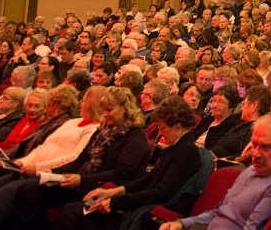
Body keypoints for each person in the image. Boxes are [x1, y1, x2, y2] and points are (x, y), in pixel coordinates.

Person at [0, 87, 151, 230]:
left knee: (28, 191)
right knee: (29, 189)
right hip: (78, 180)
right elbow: (79, 161)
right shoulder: (104, 130)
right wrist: (51, 174)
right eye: (103, 110)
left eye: (109, 110)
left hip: (99, 188)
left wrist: (80, 179)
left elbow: (122, 173)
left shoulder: (135, 137)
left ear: (125, 109)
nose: (104, 114)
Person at [57, 95, 204, 230]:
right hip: (144, 205)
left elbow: (161, 193)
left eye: (162, 127)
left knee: (74, 213)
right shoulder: (177, 147)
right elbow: (147, 180)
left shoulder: (186, 151)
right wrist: (113, 192)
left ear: (177, 124)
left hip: (152, 214)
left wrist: (116, 202)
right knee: (73, 209)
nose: (160, 132)